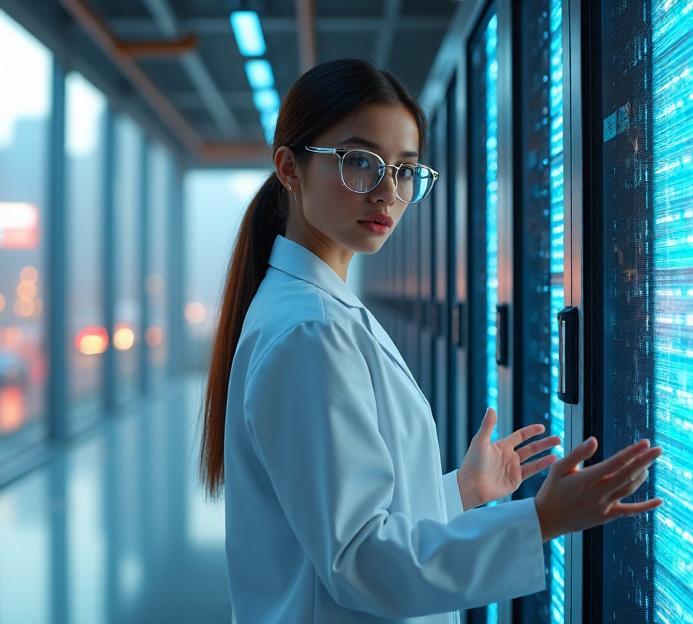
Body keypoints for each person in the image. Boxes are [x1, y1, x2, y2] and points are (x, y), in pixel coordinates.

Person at [199, 58, 663, 624]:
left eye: (403, 170)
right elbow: (360, 561)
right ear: (290, 169)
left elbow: (355, 524)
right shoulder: (309, 332)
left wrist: (461, 491)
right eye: (359, 163)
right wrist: (539, 521)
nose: (386, 193)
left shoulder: (316, 312)